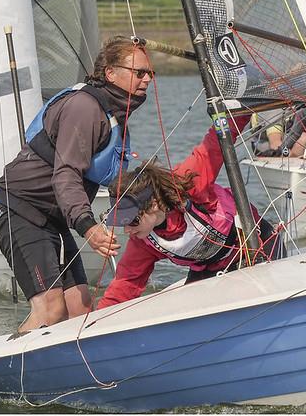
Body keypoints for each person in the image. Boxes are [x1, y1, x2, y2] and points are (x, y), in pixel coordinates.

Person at [0, 36, 153, 334]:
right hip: (21, 212)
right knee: (51, 311)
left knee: (80, 312)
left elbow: (117, 182)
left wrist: (146, 214)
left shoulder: (115, 117)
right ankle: (15, 371)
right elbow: (65, 174)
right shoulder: (85, 108)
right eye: (138, 72)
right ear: (110, 73)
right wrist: (88, 227)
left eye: (149, 74)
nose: (146, 80)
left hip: (53, 221)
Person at [97, 115, 280, 309]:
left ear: (154, 204)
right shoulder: (143, 242)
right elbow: (124, 285)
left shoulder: (188, 184)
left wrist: (237, 111)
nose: (127, 230)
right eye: (121, 222)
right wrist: (95, 327)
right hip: (211, 267)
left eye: (132, 221)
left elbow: (216, 142)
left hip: (257, 245)